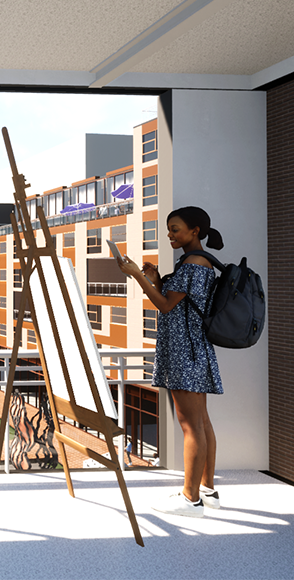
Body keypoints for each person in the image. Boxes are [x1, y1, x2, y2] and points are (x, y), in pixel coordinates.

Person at [117, 206, 224, 518]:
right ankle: (207, 490)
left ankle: (190, 500)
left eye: (175, 229)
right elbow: (177, 303)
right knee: (201, 422)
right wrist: (156, 279)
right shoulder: (198, 263)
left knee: (191, 425)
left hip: (184, 352)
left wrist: (138, 275)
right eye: (169, 229)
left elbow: (164, 306)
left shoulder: (193, 264)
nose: (170, 235)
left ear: (195, 231)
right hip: (193, 348)